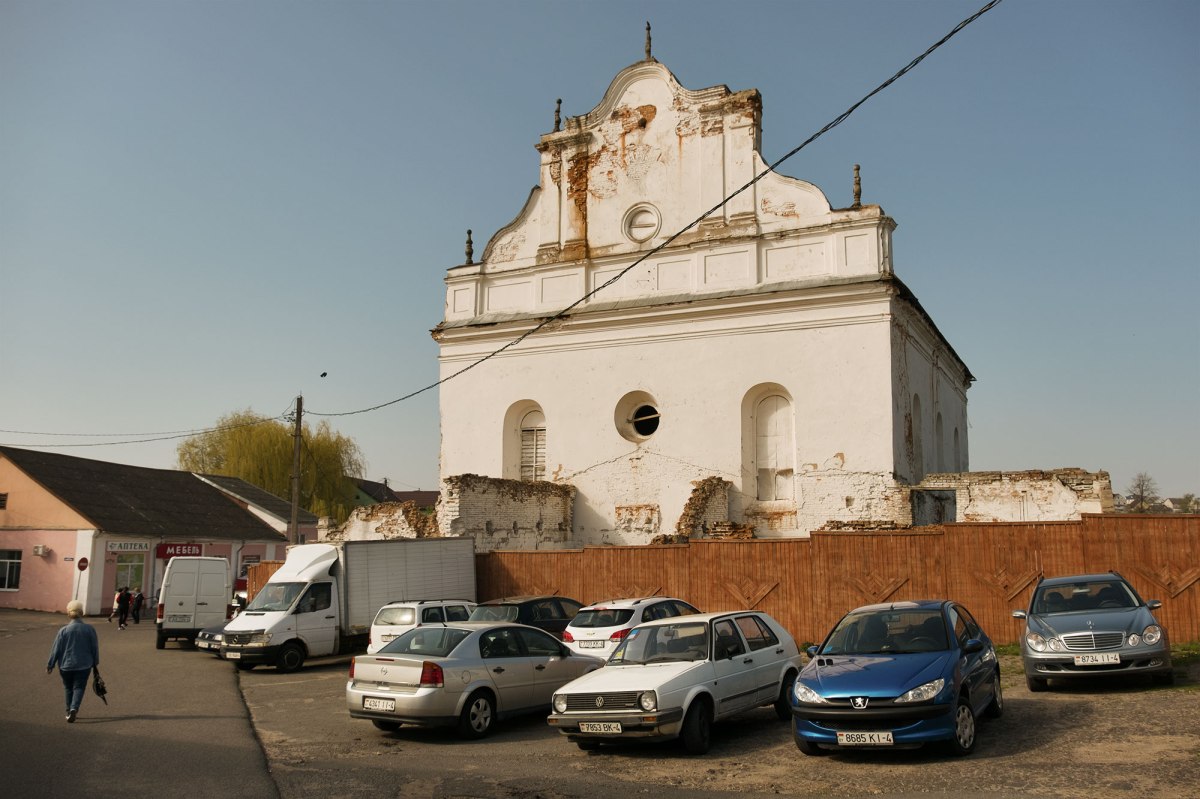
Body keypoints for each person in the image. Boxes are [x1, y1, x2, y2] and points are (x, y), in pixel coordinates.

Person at [46, 600, 100, 723]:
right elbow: (94, 647)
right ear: (81, 613)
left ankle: (68, 710)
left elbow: (56, 649)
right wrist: (95, 662)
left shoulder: (63, 631)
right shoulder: (89, 629)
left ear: (69, 614)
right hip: (84, 665)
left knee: (68, 688)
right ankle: (74, 708)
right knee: (79, 687)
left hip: (66, 665)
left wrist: (50, 664)